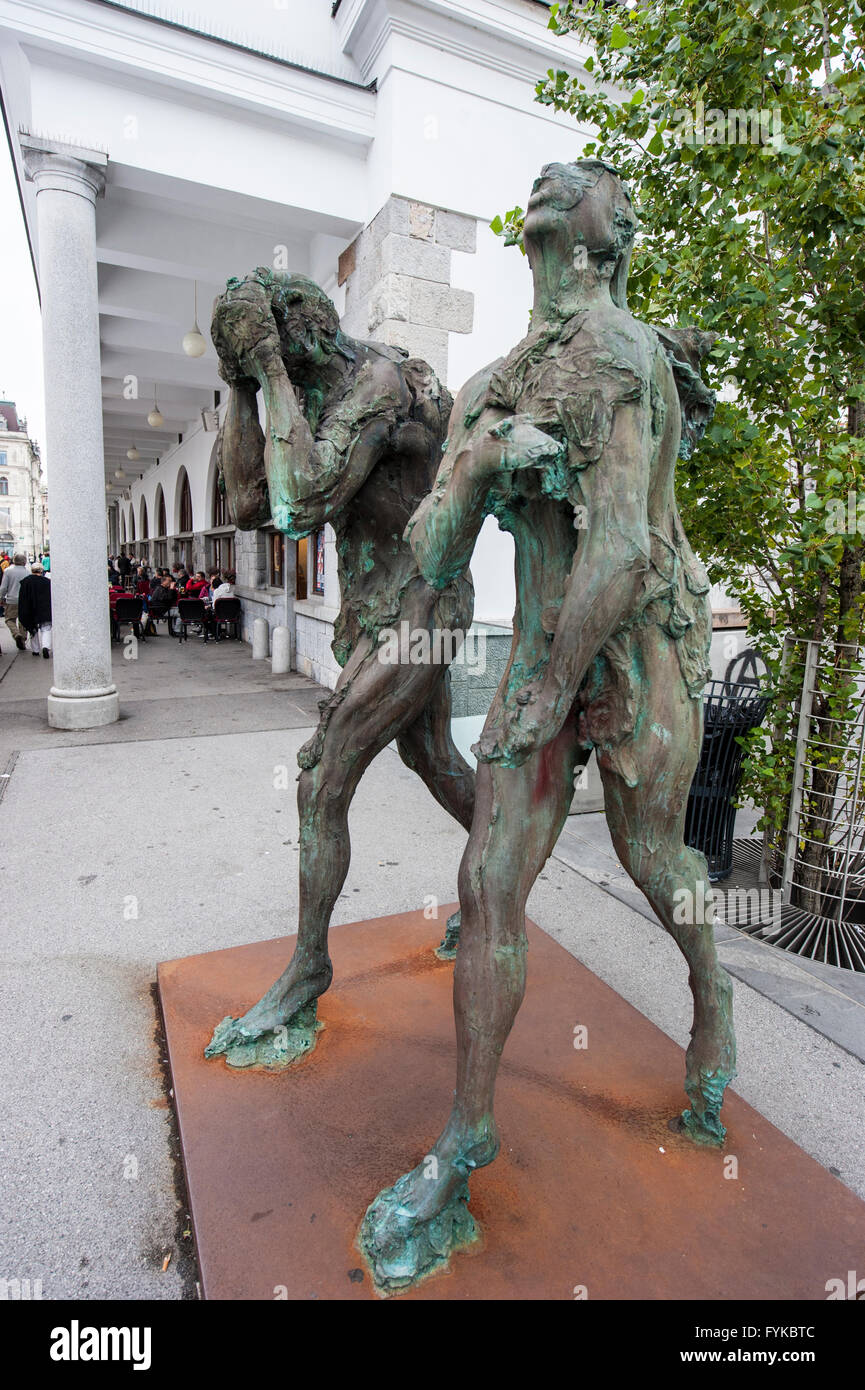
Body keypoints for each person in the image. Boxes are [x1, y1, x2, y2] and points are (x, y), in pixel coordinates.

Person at [358, 159, 733, 1287]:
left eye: (564, 206)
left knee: (653, 856)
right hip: (537, 645)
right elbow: (430, 548)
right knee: (486, 884)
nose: (542, 212)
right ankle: (469, 1127)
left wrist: (551, 686)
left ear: (594, 239)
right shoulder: (493, 379)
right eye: (534, 206)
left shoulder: (624, 358)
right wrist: (472, 464)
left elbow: (619, 548)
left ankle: (710, 997)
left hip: (636, 641)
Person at [205, 269, 475, 1069]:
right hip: (373, 609)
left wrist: (272, 376)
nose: (264, 369)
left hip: (423, 610)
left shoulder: (379, 385)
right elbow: (249, 505)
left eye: (268, 354)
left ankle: (307, 967)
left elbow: (302, 501)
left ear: (304, 334)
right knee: (432, 760)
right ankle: (502, 873)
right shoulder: (309, 392)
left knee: (322, 775)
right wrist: (242, 391)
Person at [17, 562, 52, 657]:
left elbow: (22, 598)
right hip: (44, 609)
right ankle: (46, 646)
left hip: (30, 609)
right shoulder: (47, 582)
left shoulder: (25, 582)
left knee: (33, 630)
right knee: (46, 628)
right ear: (41, 570)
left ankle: (35, 650)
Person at [0, 552, 30, 650]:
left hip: (11, 600)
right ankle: (23, 639)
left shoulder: (8, 571)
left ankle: (16, 634)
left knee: (9, 619)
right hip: (24, 600)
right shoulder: (27, 572)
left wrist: (1, 597)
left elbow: (3, 587)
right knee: (23, 621)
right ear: (24, 562)